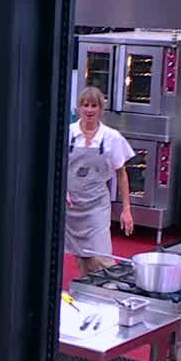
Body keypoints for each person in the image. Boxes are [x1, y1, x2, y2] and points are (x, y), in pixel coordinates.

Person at [63, 86, 136, 274]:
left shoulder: (111, 137)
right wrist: (62, 190)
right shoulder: (67, 133)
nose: (89, 110)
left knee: (101, 257)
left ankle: (114, 286)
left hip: (96, 205)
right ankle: (87, 288)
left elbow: (121, 174)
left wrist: (126, 210)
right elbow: (55, 166)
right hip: (71, 206)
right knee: (82, 257)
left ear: (100, 109)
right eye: (85, 105)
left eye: (94, 106)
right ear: (79, 108)